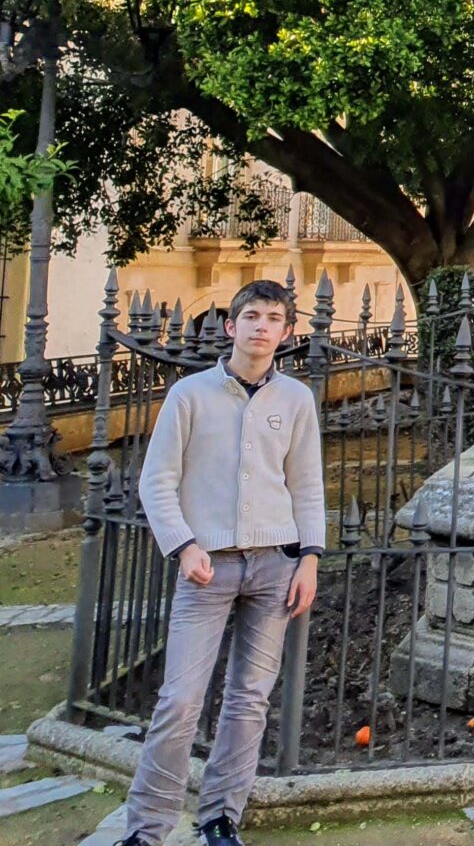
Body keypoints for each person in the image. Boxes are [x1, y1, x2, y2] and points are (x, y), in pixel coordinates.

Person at [116, 279, 325, 846]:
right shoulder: (190, 395)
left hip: (275, 566)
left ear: (286, 332)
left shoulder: (297, 400)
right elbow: (156, 481)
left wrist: (309, 557)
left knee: (249, 699)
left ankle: (220, 816)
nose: (261, 326)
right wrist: (184, 545)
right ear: (230, 327)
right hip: (206, 566)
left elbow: (307, 486)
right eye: (251, 316)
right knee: (180, 701)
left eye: (273, 318)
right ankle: (147, 830)